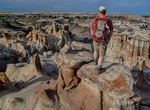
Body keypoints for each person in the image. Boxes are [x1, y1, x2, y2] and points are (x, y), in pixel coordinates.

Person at [90, 6, 113, 74]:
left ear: (99, 12)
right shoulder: (108, 20)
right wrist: (108, 38)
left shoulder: (95, 19)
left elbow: (91, 29)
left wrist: (93, 37)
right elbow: (111, 30)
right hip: (103, 40)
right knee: (102, 55)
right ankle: (99, 68)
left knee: (95, 50)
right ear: (105, 12)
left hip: (95, 38)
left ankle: (95, 61)